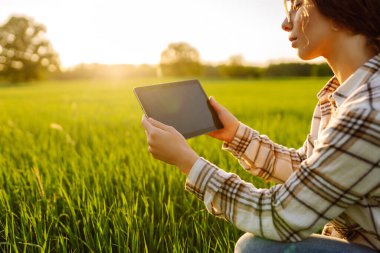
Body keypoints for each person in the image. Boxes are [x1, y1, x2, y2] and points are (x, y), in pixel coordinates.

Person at [141, 0, 380, 252]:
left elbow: (278, 216)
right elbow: (307, 170)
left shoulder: (367, 110)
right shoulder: (343, 96)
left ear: (340, 10)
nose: (286, 23)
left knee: (257, 248)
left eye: (298, 6)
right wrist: (235, 135)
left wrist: (188, 163)